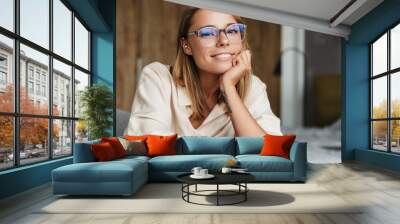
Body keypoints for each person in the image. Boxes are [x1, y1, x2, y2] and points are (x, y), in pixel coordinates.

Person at [124, 8, 282, 137]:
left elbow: (270, 154)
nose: (224, 40)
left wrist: (228, 88)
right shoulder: (157, 77)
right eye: (208, 33)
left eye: (232, 31)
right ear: (187, 45)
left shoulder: (253, 87)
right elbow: (149, 145)